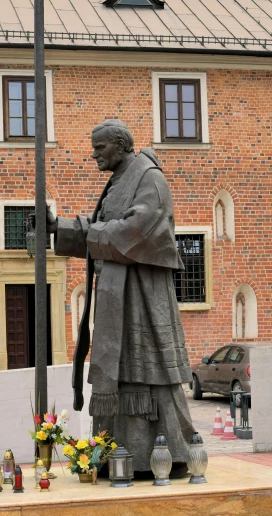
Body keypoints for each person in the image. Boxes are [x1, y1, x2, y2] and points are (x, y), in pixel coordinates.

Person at [46, 119, 194, 475]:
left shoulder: (149, 180)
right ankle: (121, 453)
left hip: (142, 296)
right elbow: (102, 226)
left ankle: (165, 455)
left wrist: (90, 232)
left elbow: (135, 232)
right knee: (125, 372)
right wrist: (59, 227)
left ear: (121, 146)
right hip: (120, 295)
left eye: (100, 148)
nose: (93, 154)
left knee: (148, 372)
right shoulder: (119, 181)